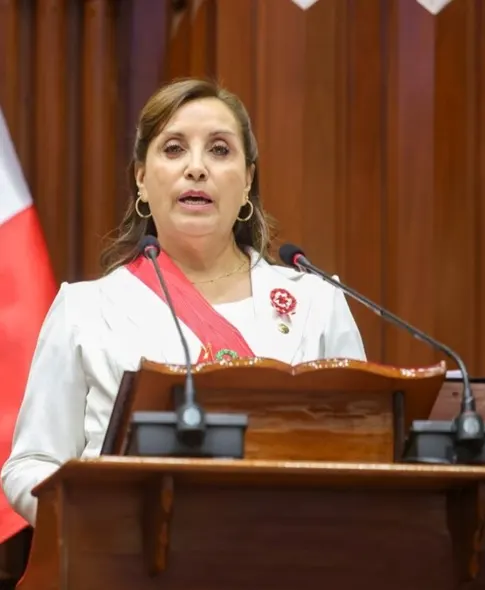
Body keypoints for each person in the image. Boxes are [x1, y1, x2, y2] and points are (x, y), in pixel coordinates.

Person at [1, 78, 367, 527]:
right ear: (141, 178)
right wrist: (108, 524)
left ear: (248, 178)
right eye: (173, 149)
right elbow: (30, 465)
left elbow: (365, 450)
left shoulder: (316, 302)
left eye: (219, 150)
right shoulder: (85, 310)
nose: (196, 168)